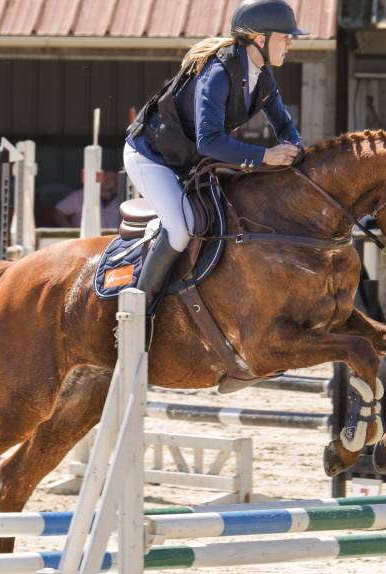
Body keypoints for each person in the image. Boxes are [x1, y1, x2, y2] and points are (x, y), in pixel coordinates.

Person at [123, 0, 307, 343]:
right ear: (260, 40)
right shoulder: (219, 73)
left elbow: (284, 125)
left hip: (189, 162)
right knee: (182, 227)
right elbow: (210, 141)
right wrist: (266, 156)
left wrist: (297, 152)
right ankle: (136, 316)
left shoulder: (262, 76)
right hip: (152, 157)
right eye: (286, 37)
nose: (291, 43)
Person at [55, 171, 122, 230]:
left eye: (113, 178)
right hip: (86, 239)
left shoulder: (122, 198)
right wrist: (68, 229)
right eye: (106, 177)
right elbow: (58, 211)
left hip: (114, 240)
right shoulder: (81, 195)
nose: (109, 181)